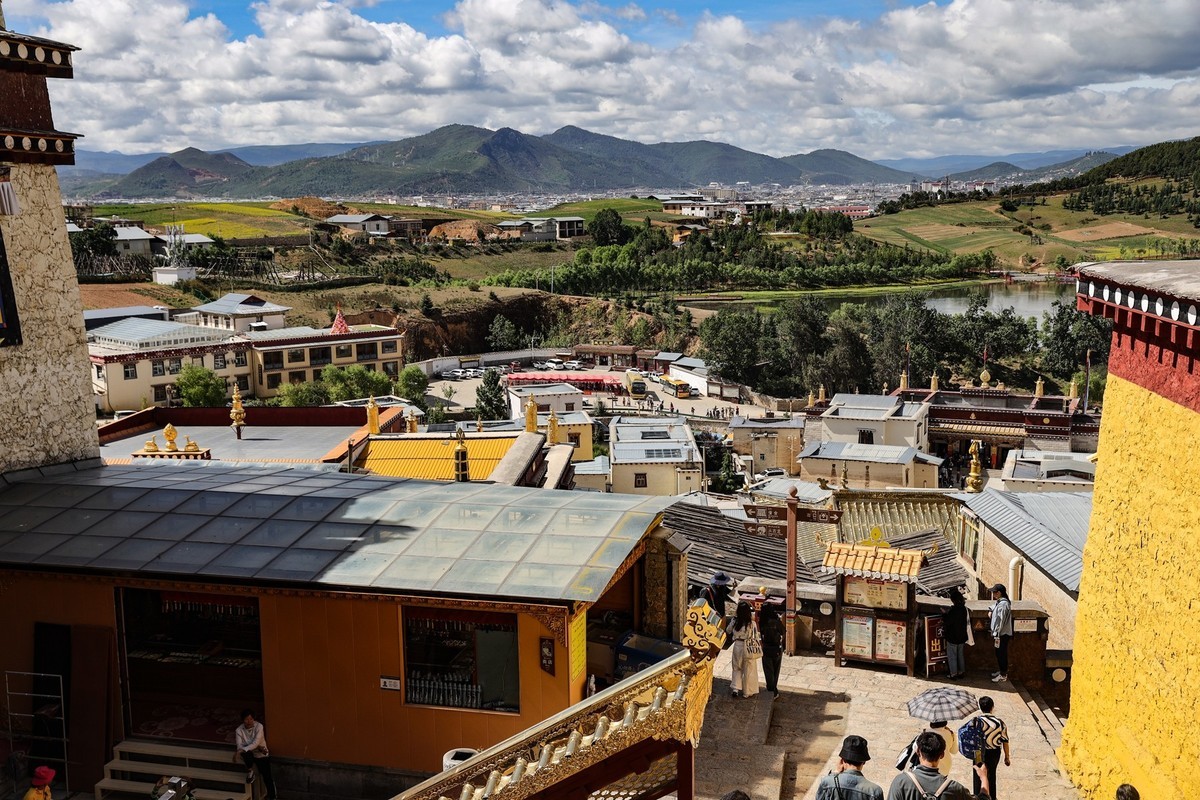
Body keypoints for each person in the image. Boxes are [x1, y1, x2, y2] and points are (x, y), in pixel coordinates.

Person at [886, 731, 991, 800]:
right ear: (942, 755)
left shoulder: (900, 782)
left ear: (918, 751)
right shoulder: (955, 788)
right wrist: (984, 778)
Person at [816, 736, 884, 800]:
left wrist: (835, 773)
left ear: (842, 760)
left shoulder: (827, 783)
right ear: (864, 762)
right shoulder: (875, 792)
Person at [233, 709, 278, 800]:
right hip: (250, 754)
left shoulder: (259, 727)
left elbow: (256, 743)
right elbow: (239, 746)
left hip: (261, 754)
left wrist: (247, 748)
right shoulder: (239, 730)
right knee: (245, 753)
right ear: (243, 720)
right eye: (246, 719)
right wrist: (242, 750)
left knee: (267, 776)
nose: (249, 721)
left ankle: (272, 796)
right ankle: (250, 771)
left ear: (254, 719)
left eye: (251, 719)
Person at [974, 696, 1010, 799]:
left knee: (978, 774)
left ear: (980, 707)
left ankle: (978, 796)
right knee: (991, 775)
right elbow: (1005, 741)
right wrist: (1007, 757)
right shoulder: (1000, 723)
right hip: (994, 753)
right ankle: (991, 797)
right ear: (992, 707)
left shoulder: (976, 721)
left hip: (978, 752)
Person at [729, 601, 760, 698]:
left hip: (737, 645)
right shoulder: (752, 624)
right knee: (748, 669)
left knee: (736, 667)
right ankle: (747, 692)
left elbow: (728, 630)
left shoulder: (735, 621)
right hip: (748, 646)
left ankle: (735, 688)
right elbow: (756, 636)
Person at [758, 604, 785, 697]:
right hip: (776, 648)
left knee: (768, 670)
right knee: (776, 670)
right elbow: (783, 631)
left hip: (766, 648)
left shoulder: (761, 622)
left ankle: (771, 688)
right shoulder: (776, 622)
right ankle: (774, 689)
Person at [988, 584, 1013, 683]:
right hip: (1002, 633)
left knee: (1001, 654)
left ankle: (1003, 674)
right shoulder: (1002, 602)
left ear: (999, 593)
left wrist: (996, 633)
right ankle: (1002, 671)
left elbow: (1000, 621)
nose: (993, 594)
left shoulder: (1003, 605)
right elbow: (995, 605)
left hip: (1002, 634)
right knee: (999, 653)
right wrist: (991, 609)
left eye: (994, 592)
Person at [944, 588, 970, 679]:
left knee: (952, 656)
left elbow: (948, 622)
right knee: (960, 655)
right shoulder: (964, 609)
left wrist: (944, 614)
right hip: (962, 636)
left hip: (953, 637)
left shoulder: (953, 610)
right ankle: (961, 671)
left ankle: (953, 673)